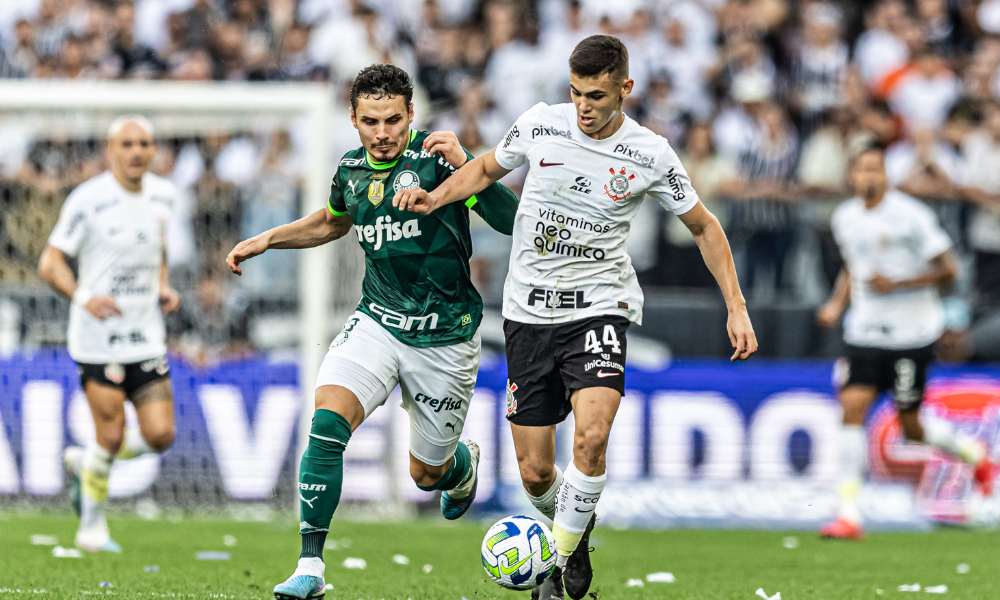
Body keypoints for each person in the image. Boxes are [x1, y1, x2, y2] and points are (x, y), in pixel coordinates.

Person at [395, 35, 757, 600]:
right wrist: (436, 196)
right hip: (526, 314)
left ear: (625, 89)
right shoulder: (540, 124)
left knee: (591, 437)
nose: (584, 106)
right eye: (576, 93)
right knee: (537, 472)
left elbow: (705, 226)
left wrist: (736, 307)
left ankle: (553, 570)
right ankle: (576, 536)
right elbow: (486, 169)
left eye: (596, 95)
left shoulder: (651, 153)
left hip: (598, 309)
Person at [224, 64, 519, 600]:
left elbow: (510, 222)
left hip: (445, 336)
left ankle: (460, 465)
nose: (382, 133)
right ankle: (310, 565)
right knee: (326, 426)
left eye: (392, 120)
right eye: (370, 121)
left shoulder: (436, 160)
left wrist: (469, 164)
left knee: (425, 477)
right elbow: (333, 222)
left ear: (412, 114)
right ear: (354, 120)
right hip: (378, 322)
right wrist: (268, 238)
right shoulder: (351, 169)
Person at [816, 143, 995, 541]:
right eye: (862, 170)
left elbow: (950, 271)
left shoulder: (911, 216)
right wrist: (835, 303)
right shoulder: (845, 217)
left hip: (911, 334)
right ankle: (848, 513)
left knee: (910, 426)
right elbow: (853, 264)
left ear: (886, 176)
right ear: (852, 176)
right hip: (863, 331)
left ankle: (976, 457)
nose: (869, 177)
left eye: (875, 170)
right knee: (852, 408)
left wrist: (898, 285)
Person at [37, 115, 181, 552]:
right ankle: (92, 528)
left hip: (146, 335)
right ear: (110, 149)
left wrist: (162, 285)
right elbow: (50, 263)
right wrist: (85, 298)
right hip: (97, 337)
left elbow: (156, 246)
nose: (137, 151)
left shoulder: (165, 196)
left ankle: (88, 464)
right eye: (127, 144)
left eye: (145, 144)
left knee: (160, 436)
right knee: (112, 433)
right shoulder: (89, 199)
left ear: (154, 150)